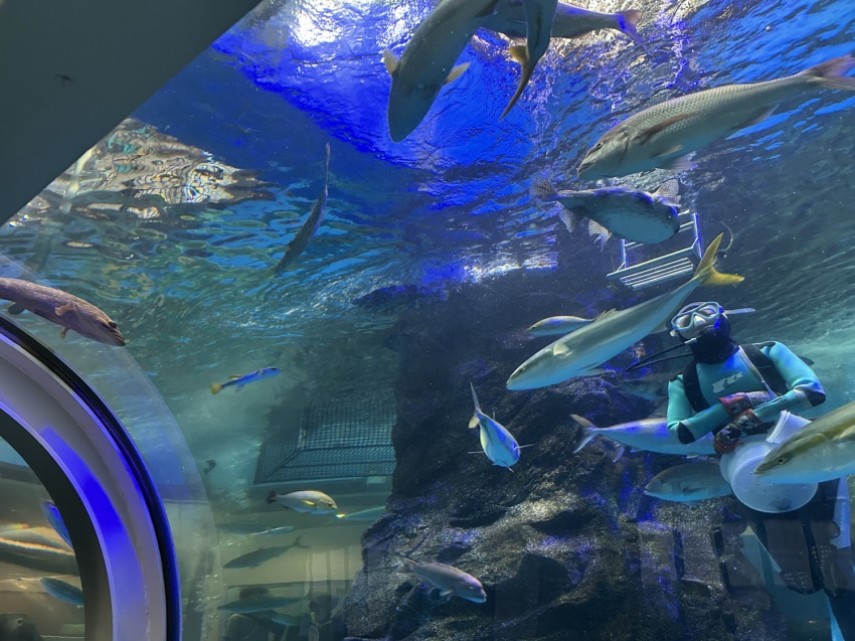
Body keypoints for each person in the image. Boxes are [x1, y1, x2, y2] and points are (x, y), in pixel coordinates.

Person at [665, 301, 855, 639]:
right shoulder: (684, 381)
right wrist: (731, 406)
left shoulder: (764, 352)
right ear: (678, 334)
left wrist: (750, 414)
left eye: (705, 314)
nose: (697, 324)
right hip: (750, 478)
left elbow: (811, 390)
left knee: (839, 566)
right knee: (800, 576)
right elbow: (680, 431)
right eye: (685, 321)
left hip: (804, 457)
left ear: (724, 317)